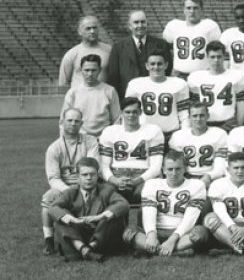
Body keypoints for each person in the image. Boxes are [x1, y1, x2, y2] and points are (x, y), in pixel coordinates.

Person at [124, 151, 209, 256]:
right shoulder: (152, 184)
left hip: (182, 234)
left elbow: (190, 219)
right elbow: (149, 211)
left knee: (201, 233)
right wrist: (151, 235)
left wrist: (172, 240)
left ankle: (154, 250)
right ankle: (176, 251)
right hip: (157, 230)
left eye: (178, 169)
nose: (174, 173)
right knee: (128, 231)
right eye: (170, 169)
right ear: (163, 170)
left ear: (185, 169)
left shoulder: (196, 185)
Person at [41, 109, 100, 254]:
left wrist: (82, 186)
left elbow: (93, 166)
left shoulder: (90, 141)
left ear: (81, 124)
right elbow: (53, 177)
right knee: (48, 198)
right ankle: (48, 239)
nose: (73, 124)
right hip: (64, 186)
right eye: (69, 120)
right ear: (61, 122)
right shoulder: (54, 148)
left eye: (76, 121)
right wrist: (68, 190)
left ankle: (98, 237)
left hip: (87, 181)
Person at [48, 157, 128, 262]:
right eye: (85, 175)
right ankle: (83, 249)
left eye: (92, 174)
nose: (89, 178)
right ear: (78, 177)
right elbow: (52, 208)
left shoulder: (106, 190)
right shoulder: (71, 192)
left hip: (100, 237)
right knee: (61, 218)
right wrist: (73, 219)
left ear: (98, 175)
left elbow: (124, 204)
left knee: (112, 216)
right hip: (77, 235)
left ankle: (90, 248)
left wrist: (98, 217)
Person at [98, 97, 164, 203]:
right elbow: (103, 165)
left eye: (134, 112)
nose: (131, 115)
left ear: (140, 112)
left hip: (143, 175)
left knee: (145, 193)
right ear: (121, 113)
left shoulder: (153, 131)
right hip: (117, 175)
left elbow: (156, 166)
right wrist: (114, 180)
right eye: (127, 112)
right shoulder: (110, 131)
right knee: (105, 194)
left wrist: (137, 181)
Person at [124, 50, 191, 137]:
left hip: (170, 133)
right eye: (152, 64)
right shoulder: (135, 84)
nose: (156, 67)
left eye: (159, 64)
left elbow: (184, 113)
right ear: (147, 66)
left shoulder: (179, 84)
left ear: (166, 65)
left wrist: (185, 134)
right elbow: (127, 113)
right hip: (143, 134)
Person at [107, 10, 171, 99]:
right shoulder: (118, 47)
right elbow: (113, 77)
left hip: (154, 96)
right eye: (136, 22)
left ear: (147, 23)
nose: (140, 26)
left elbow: (167, 71)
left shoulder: (161, 45)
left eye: (143, 22)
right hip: (128, 98)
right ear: (130, 26)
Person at [187, 41, 244, 131]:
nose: (216, 60)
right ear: (207, 57)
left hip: (228, 123)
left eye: (219, 56)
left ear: (224, 57)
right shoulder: (196, 77)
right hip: (205, 124)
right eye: (212, 57)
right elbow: (193, 107)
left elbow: (241, 104)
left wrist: (238, 127)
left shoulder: (236, 76)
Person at [167, 102, 228, 187]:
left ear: (207, 116)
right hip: (186, 177)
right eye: (194, 116)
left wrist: (209, 176)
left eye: (201, 115)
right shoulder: (178, 136)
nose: (198, 119)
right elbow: (175, 164)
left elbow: (221, 166)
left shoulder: (219, 134)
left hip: (211, 177)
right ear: (189, 118)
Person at [162, 0, 222, 78]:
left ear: (201, 10)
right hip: (179, 74)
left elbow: (217, 50)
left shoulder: (210, 26)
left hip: (202, 74)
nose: (192, 11)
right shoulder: (174, 26)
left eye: (195, 8)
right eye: (188, 8)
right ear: (184, 10)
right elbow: (167, 46)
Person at [60, 54, 120, 136]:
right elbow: (64, 121)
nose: (90, 74)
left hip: (103, 140)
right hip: (80, 139)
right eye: (87, 70)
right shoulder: (73, 93)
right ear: (81, 70)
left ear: (100, 70)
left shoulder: (110, 91)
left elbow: (116, 119)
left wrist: (112, 138)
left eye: (93, 70)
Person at [59, 15, 111, 89]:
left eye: (94, 28)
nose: (92, 31)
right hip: (80, 99)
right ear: (80, 32)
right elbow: (64, 83)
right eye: (88, 28)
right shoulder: (72, 54)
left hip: (103, 98)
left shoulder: (109, 51)